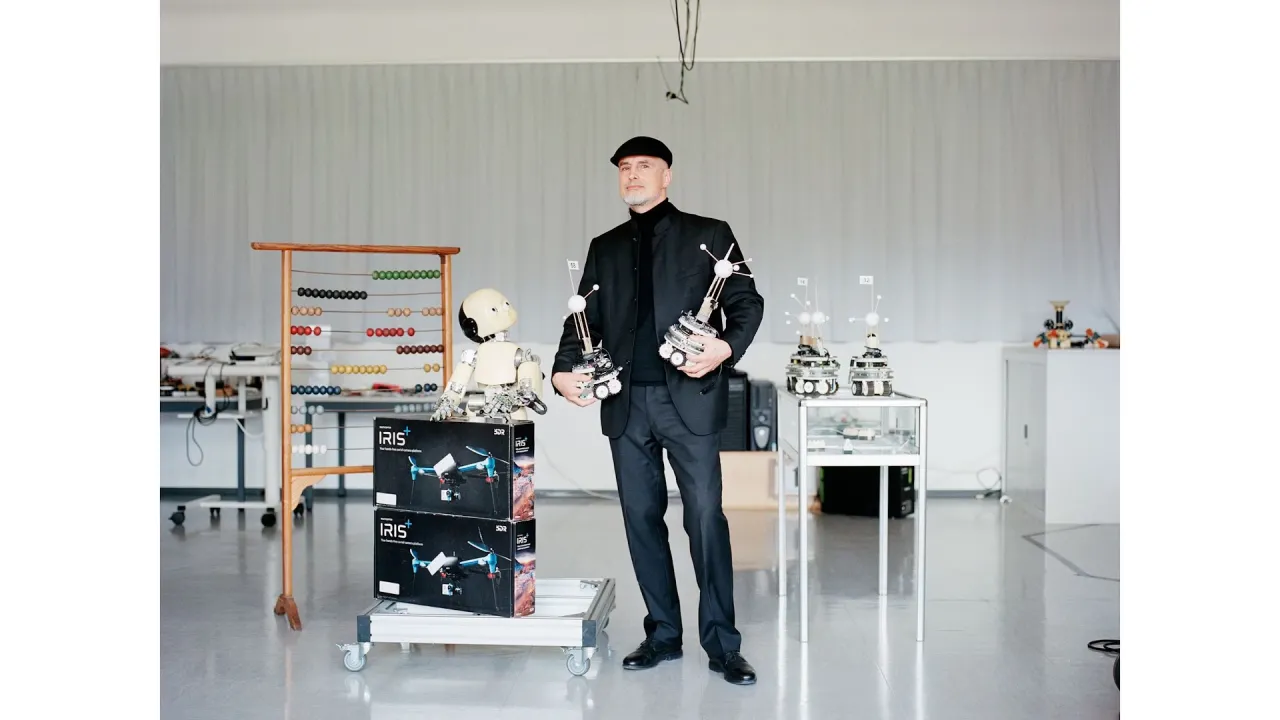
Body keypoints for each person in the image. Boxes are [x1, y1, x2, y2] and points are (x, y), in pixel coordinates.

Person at [550, 136, 765, 686]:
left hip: (688, 400)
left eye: (644, 166)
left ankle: (723, 645)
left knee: (704, 518)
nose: (632, 175)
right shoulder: (604, 246)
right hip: (625, 404)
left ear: (666, 176)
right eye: (625, 167)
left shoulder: (709, 234)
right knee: (641, 520)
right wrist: (562, 370)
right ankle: (664, 634)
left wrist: (725, 348)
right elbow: (583, 320)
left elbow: (746, 302)